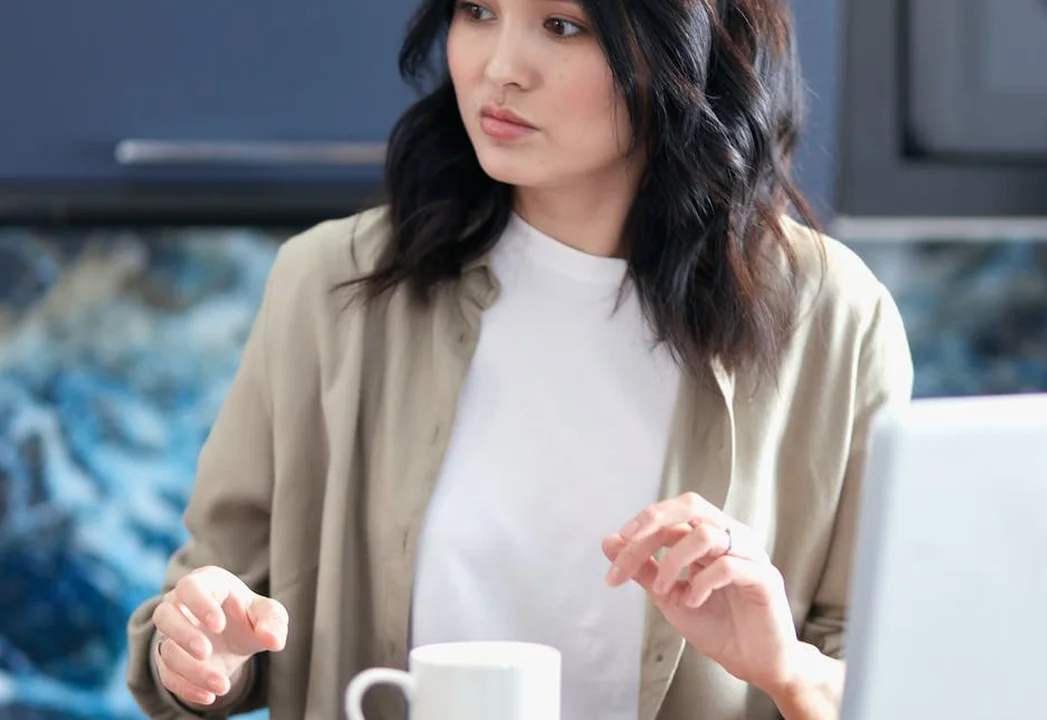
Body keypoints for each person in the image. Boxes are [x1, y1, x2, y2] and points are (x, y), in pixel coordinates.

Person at [126, 0, 913, 718]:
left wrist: (788, 670)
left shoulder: (835, 316)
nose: (500, 67)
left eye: (562, 26)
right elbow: (207, 607)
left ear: (689, 50)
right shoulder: (329, 285)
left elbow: (912, 682)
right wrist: (197, 650)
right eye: (476, 11)